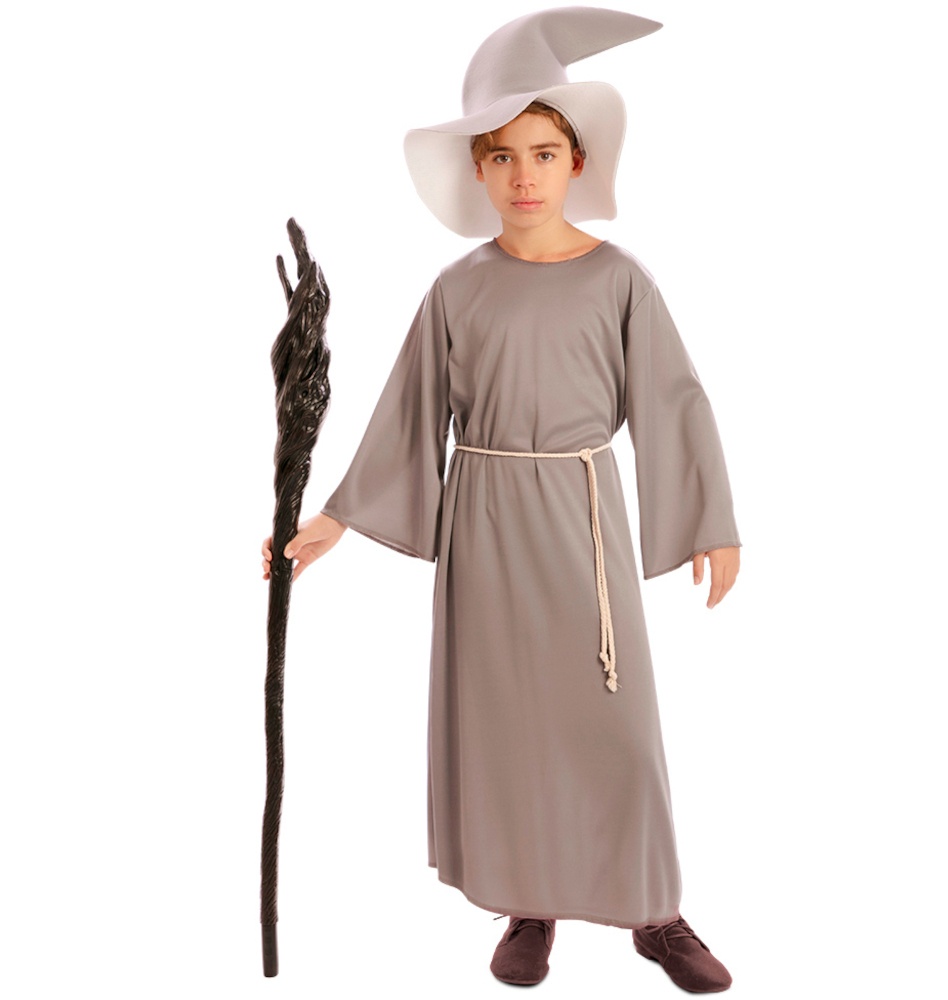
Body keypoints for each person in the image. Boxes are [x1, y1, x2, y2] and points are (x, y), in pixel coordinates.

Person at [262, 8, 740, 993]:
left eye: (543, 153)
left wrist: (708, 521)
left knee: (616, 727)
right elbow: (409, 414)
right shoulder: (458, 290)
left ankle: (654, 912)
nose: (524, 175)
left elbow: (672, 401)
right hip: (483, 525)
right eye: (503, 156)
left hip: (580, 520)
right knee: (509, 722)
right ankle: (529, 903)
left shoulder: (619, 282)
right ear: (478, 171)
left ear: (576, 162)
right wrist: (333, 521)